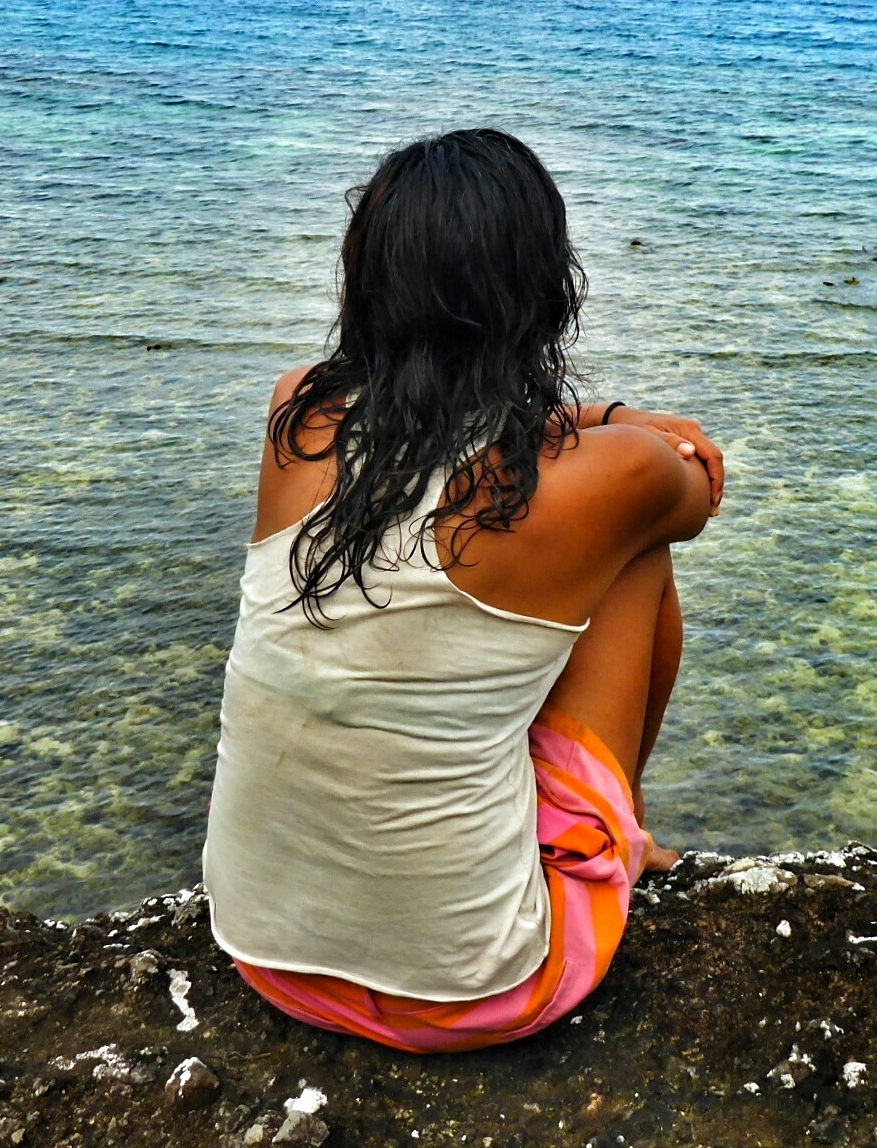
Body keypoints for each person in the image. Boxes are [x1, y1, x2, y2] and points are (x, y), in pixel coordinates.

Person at [202, 128, 723, 1052]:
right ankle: (624, 836)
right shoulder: (618, 475)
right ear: (543, 289)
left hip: (264, 956)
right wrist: (624, 427)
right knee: (636, 550)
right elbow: (691, 497)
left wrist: (597, 420)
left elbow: (442, 417)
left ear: (367, 283)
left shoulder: (299, 412)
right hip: (479, 990)